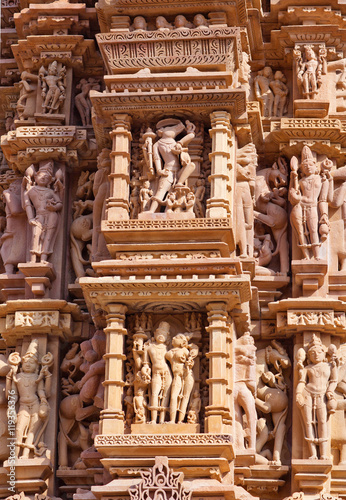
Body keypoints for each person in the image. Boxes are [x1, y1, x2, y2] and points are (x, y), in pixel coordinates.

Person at [296, 335, 337, 459]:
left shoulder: (329, 366)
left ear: (324, 354)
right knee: (308, 423)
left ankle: (323, 454)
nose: (316, 355)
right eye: (312, 353)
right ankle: (313, 454)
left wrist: (330, 391)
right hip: (308, 394)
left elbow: (334, 380)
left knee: (323, 422)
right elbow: (302, 382)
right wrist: (298, 394)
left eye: (319, 352)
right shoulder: (307, 368)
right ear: (308, 356)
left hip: (322, 395)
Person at [289, 146, 333, 260]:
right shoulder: (300, 181)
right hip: (300, 206)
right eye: (304, 166)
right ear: (302, 169)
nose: (308, 167)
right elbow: (294, 193)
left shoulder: (320, 179)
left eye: (310, 165)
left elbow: (326, 198)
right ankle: (306, 256)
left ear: (315, 166)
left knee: (313, 230)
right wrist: (293, 175)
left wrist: (324, 214)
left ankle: (317, 255)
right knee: (301, 232)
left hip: (313, 206)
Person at [148, 119, 196, 213]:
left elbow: (191, 136)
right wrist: (159, 170)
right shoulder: (157, 144)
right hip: (168, 170)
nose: (174, 129)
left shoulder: (176, 142)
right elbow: (156, 158)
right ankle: (151, 210)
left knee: (192, 165)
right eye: (171, 128)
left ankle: (179, 183)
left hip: (178, 171)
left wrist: (188, 132)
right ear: (162, 131)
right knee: (161, 191)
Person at [22, 160, 64, 263]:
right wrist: (30, 218)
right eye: (41, 175)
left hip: (51, 215)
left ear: (50, 181)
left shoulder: (51, 191)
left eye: (47, 177)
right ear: (35, 177)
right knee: (36, 234)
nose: (44, 177)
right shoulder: (30, 190)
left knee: (48, 236)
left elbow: (60, 203)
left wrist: (54, 208)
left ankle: (43, 259)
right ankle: (32, 259)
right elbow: (27, 205)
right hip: (39, 215)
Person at [143, 321, 172, 423]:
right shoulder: (148, 347)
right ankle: (154, 420)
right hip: (155, 373)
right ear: (154, 334)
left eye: (163, 335)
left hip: (167, 372)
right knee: (155, 393)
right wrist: (145, 369)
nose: (161, 336)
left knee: (165, 395)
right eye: (159, 334)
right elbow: (146, 363)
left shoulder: (167, 348)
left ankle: (162, 420)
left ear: (167, 337)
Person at [166, 334, 198, 423]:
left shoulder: (184, 350)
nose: (173, 338)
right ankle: (172, 420)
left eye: (176, 338)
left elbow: (191, 357)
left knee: (185, 397)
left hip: (186, 374)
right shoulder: (169, 351)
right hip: (176, 376)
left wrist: (190, 363)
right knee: (173, 396)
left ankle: (180, 420)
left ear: (182, 342)